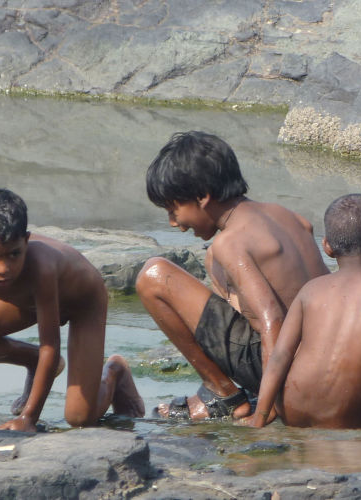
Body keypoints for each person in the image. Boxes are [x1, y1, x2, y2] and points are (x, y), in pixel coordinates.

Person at [0, 189, 144, 432]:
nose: (3, 269)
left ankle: (116, 372)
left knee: (80, 418)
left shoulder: (40, 268)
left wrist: (28, 417)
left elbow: (50, 345)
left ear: (26, 240)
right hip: (27, 300)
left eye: (14, 254)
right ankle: (32, 362)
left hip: (83, 303)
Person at [136, 131, 329, 420]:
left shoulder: (230, 242)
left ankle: (223, 394)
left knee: (153, 275)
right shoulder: (289, 216)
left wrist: (267, 409)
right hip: (327, 360)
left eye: (173, 209)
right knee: (213, 260)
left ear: (202, 197)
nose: (174, 222)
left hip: (289, 371)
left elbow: (272, 320)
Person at [245, 193, 361, 428]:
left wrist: (259, 417)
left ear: (327, 247)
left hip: (290, 411)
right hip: (345, 421)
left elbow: (279, 356)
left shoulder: (311, 289)